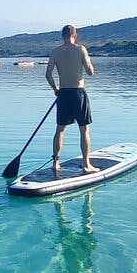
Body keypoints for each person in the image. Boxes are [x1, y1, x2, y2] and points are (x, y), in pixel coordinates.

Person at [45, 25, 99, 173]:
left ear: (62, 36)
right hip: (78, 93)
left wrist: (56, 90)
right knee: (84, 129)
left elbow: (48, 75)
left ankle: (56, 162)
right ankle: (86, 164)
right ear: (75, 35)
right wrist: (88, 62)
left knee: (60, 129)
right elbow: (90, 72)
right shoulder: (80, 49)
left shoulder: (55, 52)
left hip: (63, 93)